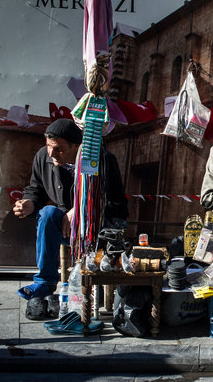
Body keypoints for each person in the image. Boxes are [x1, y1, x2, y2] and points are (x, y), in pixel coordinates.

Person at [14, 119, 128, 300]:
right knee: (47, 214)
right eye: (49, 146)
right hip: (65, 227)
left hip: (97, 227)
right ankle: (45, 282)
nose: (52, 153)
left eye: (59, 148)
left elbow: (117, 204)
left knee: (98, 224)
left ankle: (91, 281)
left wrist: (83, 208)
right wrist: (30, 202)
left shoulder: (103, 160)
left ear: (77, 146)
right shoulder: (44, 156)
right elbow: (36, 189)